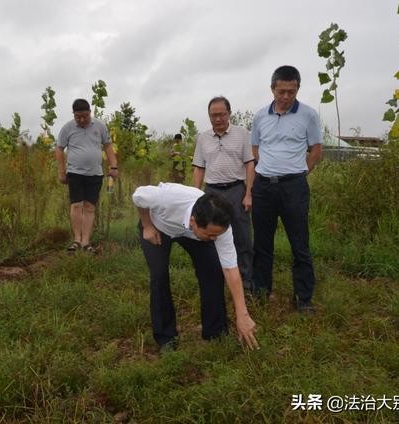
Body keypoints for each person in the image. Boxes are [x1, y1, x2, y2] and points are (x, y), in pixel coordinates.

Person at [133, 183, 259, 353]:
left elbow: (230, 269)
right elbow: (139, 196)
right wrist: (147, 225)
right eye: (211, 235)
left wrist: (242, 314)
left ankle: (215, 332)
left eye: (218, 235)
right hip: (159, 226)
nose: (215, 239)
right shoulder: (165, 198)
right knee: (159, 274)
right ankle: (166, 338)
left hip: (194, 234)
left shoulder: (219, 226)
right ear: (193, 221)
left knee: (213, 270)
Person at [250, 65, 323, 313]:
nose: (286, 97)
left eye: (291, 92)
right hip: (264, 188)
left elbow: (316, 150)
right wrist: (268, 167)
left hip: (294, 188)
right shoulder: (260, 116)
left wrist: (301, 172)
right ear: (272, 89)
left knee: (299, 243)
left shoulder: (309, 115)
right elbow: (255, 148)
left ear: (297, 89)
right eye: (281, 91)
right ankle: (261, 291)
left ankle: (303, 297)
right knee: (261, 243)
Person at [193, 96, 255, 290]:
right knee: (211, 234)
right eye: (213, 115)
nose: (217, 119)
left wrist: (248, 193)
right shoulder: (203, 138)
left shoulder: (243, 134)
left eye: (221, 114)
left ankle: (245, 281)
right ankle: (217, 279)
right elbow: (199, 167)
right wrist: (196, 194)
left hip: (236, 190)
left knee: (242, 236)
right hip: (212, 192)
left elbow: (249, 164)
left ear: (229, 113)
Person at [56, 99, 118, 253]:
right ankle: (76, 240)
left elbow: (108, 146)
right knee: (76, 205)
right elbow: (59, 149)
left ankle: (86, 242)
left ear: (90, 112)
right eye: (78, 117)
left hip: (95, 174)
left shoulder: (100, 126)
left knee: (90, 207)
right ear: (74, 115)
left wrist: (114, 166)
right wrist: (61, 171)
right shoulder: (67, 128)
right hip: (75, 173)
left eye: (85, 116)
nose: (82, 120)